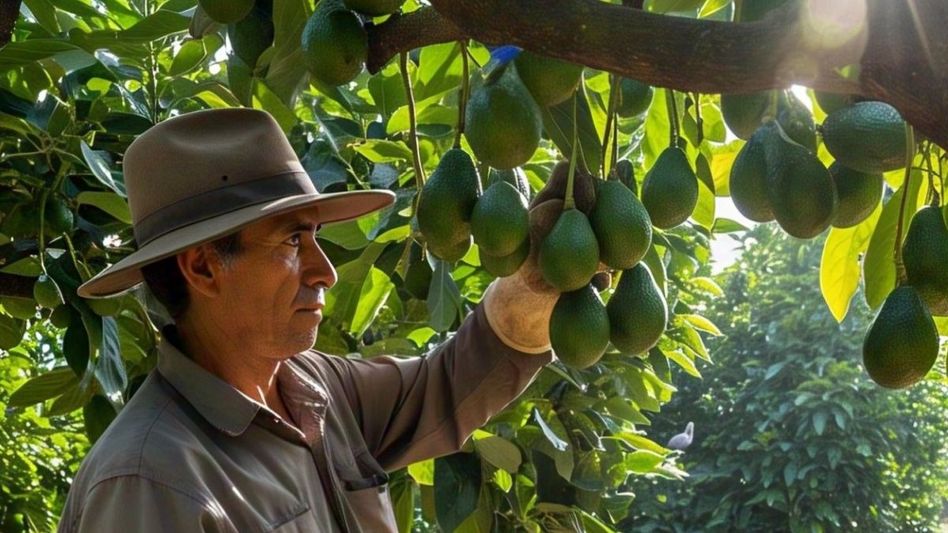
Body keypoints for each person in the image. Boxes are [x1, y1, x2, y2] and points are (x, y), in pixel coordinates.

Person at [58, 108, 562, 532]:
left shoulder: (315, 388)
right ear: (204, 267)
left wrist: (534, 288)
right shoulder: (149, 480)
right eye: (293, 241)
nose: (326, 273)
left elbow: (444, 388)